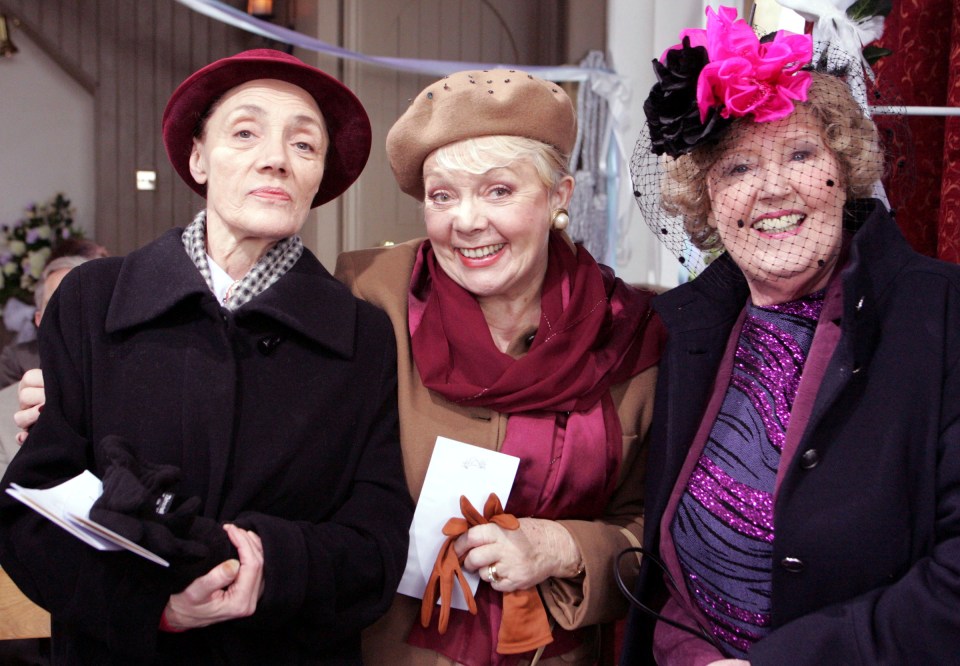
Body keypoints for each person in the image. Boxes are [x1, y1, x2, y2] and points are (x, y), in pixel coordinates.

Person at [0, 49, 412, 665]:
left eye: (304, 145)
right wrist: (153, 604)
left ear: (319, 176)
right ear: (197, 156)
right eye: (245, 132)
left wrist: (270, 564)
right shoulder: (93, 301)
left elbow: (376, 544)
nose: (275, 157)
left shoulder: (363, 336)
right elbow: (30, 511)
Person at [620, 7, 960, 665]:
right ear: (708, 200)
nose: (772, 189)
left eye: (801, 154)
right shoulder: (685, 327)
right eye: (737, 169)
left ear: (848, 170)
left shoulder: (942, 316)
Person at [333, 70, 664, 665]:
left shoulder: (632, 334)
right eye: (442, 196)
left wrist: (563, 546)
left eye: (498, 191)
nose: (466, 221)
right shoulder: (369, 302)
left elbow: (665, 532)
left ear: (558, 196)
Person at [0, 256, 91, 389]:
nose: (66, 313)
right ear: (39, 319)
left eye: (76, 302)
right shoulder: (17, 361)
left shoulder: (118, 358)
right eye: (54, 304)